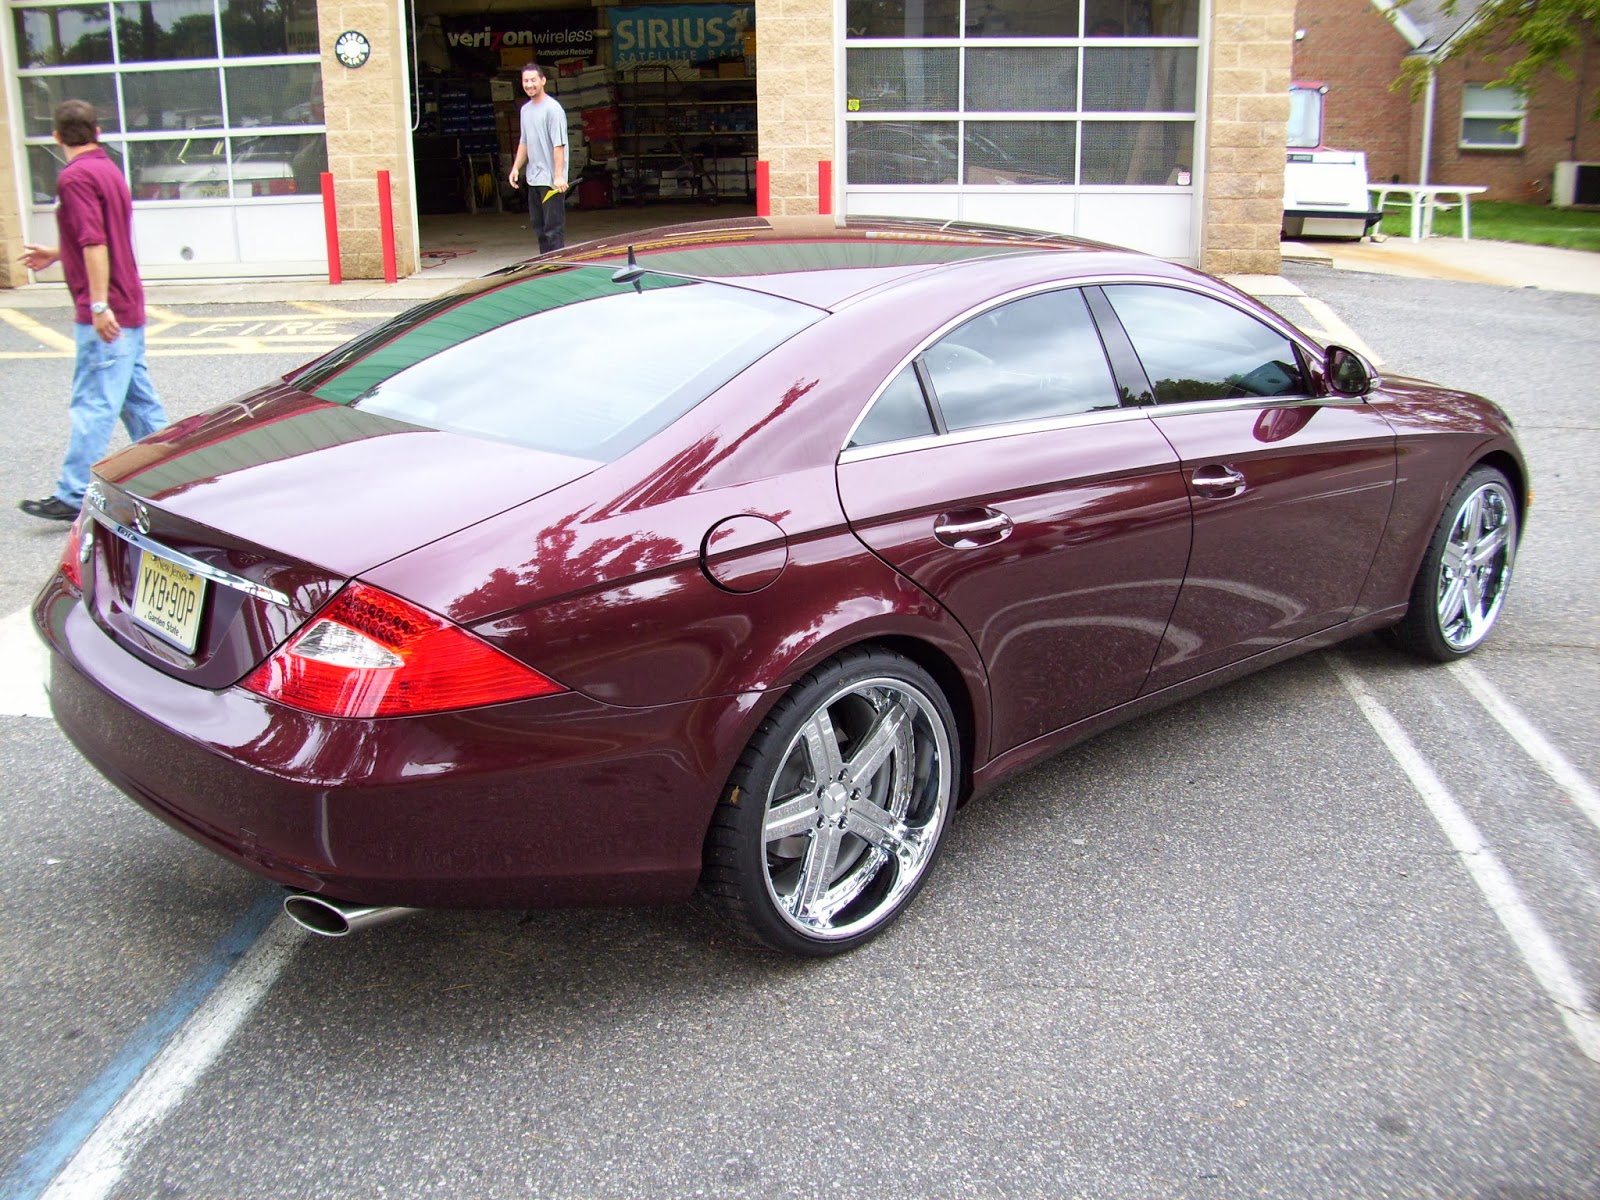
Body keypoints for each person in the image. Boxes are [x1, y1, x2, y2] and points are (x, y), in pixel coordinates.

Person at [18, 99, 166, 523]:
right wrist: (56, 252)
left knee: (95, 403)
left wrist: (98, 306)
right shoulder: (108, 171)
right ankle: (167, 477)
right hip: (128, 302)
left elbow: (95, 243)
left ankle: (71, 492)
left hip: (107, 309)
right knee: (139, 404)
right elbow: (102, 240)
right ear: (97, 130)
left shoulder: (75, 177)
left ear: (57, 137)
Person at [507, 62, 569, 254]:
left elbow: (559, 145)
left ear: (543, 81)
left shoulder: (553, 109)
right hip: (533, 179)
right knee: (539, 228)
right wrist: (516, 168)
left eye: (533, 80)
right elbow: (524, 142)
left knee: (553, 229)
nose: (529, 84)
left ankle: (557, 268)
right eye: (526, 81)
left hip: (551, 182)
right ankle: (545, 265)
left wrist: (558, 176)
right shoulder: (525, 110)